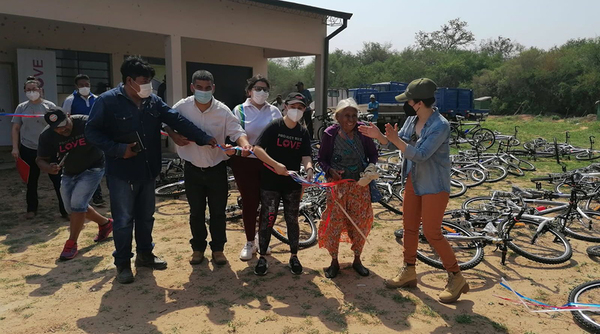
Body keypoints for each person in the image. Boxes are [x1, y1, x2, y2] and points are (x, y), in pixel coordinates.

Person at [85, 56, 216, 284]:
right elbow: (92, 132)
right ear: (129, 80)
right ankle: (123, 263)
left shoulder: (153, 101)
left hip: (148, 170)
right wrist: (117, 149)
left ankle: (145, 254)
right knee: (124, 219)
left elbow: (176, 119)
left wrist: (204, 138)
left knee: (146, 217)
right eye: (144, 81)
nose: (149, 86)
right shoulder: (107, 102)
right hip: (121, 172)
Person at [358, 78, 469, 304]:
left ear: (418, 102)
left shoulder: (440, 125)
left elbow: (420, 154)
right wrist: (379, 136)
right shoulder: (411, 119)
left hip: (434, 186)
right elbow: (396, 144)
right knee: (408, 228)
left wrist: (395, 140)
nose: (406, 103)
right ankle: (409, 271)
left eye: (409, 99)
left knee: (431, 232)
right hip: (412, 181)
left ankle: (456, 276)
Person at [167, 70, 251, 266]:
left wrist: (244, 144)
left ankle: (218, 249)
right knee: (196, 212)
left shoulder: (222, 111)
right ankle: (197, 249)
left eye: (207, 88)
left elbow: (237, 131)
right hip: (192, 169)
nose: (203, 91)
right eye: (199, 88)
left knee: (218, 212)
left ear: (213, 88)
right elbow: (167, 121)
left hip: (216, 169)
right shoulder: (182, 107)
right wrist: (174, 136)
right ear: (192, 87)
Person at [36, 108, 113, 260]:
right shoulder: (46, 135)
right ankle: (105, 224)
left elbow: (109, 134)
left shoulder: (86, 122)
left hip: (94, 166)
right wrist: (49, 168)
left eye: (64, 123)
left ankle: (71, 243)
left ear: (69, 116)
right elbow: (40, 159)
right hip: (69, 172)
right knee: (71, 207)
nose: (62, 129)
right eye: (57, 127)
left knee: (78, 204)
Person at [252, 92, 314, 276]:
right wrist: (275, 165)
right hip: (271, 182)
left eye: (300, 107)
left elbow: (306, 156)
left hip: (292, 184)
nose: (296, 110)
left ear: (304, 110)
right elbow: (258, 149)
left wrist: (309, 169)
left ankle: (294, 256)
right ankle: (262, 257)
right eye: (293, 106)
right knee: (267, 217)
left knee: (292, 220)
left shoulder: (302, 132)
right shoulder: (274, 126)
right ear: (285, 107)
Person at [317, 98, 377, 279]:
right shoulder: (330, 134)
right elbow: (322, 159)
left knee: (360, 222)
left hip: (359, 187)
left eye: (354, 115)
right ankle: (334, 261)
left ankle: (357, 259)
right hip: (337, 188)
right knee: (334, 223)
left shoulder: (363, 132)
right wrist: (330, 170)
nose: (351, 119)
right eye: (346, 115)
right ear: (338, 117)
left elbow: (373, 154)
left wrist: (370, 168)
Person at [229, 75, 282, 261]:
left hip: (268, 163)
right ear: (249, 90)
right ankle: (250, 242)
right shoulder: (239, 110)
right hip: (245, 163)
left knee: (268, 204)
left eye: (265, 89)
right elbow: (236, 133)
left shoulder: (274, 111)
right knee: (250, 203)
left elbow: (280, 136)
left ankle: (263, 238)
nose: (261, 93)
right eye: (257, 89)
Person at [11, 76, 67, 219]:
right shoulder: (21, 107)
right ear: (24, 91)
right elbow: (16, 128)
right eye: (28, 90)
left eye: (34, 89)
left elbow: (58, 127)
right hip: (28, 148)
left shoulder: (49, 106)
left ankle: (65, 210)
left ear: (40, 90)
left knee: (57, 180)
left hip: (48, 149)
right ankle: (31, 209)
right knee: (31, 181)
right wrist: (15, 148)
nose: (31, 92)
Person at [62, 74, 106, 207]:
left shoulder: (97, 99)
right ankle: (80, 194)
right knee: (82, 165)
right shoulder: (70, 100)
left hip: (95, 136)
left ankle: (96, 196)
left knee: (95, 164)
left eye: (87, 85)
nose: (85, 87)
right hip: (78, 138)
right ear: (76, 86)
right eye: (81, 85)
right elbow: (65, 119)